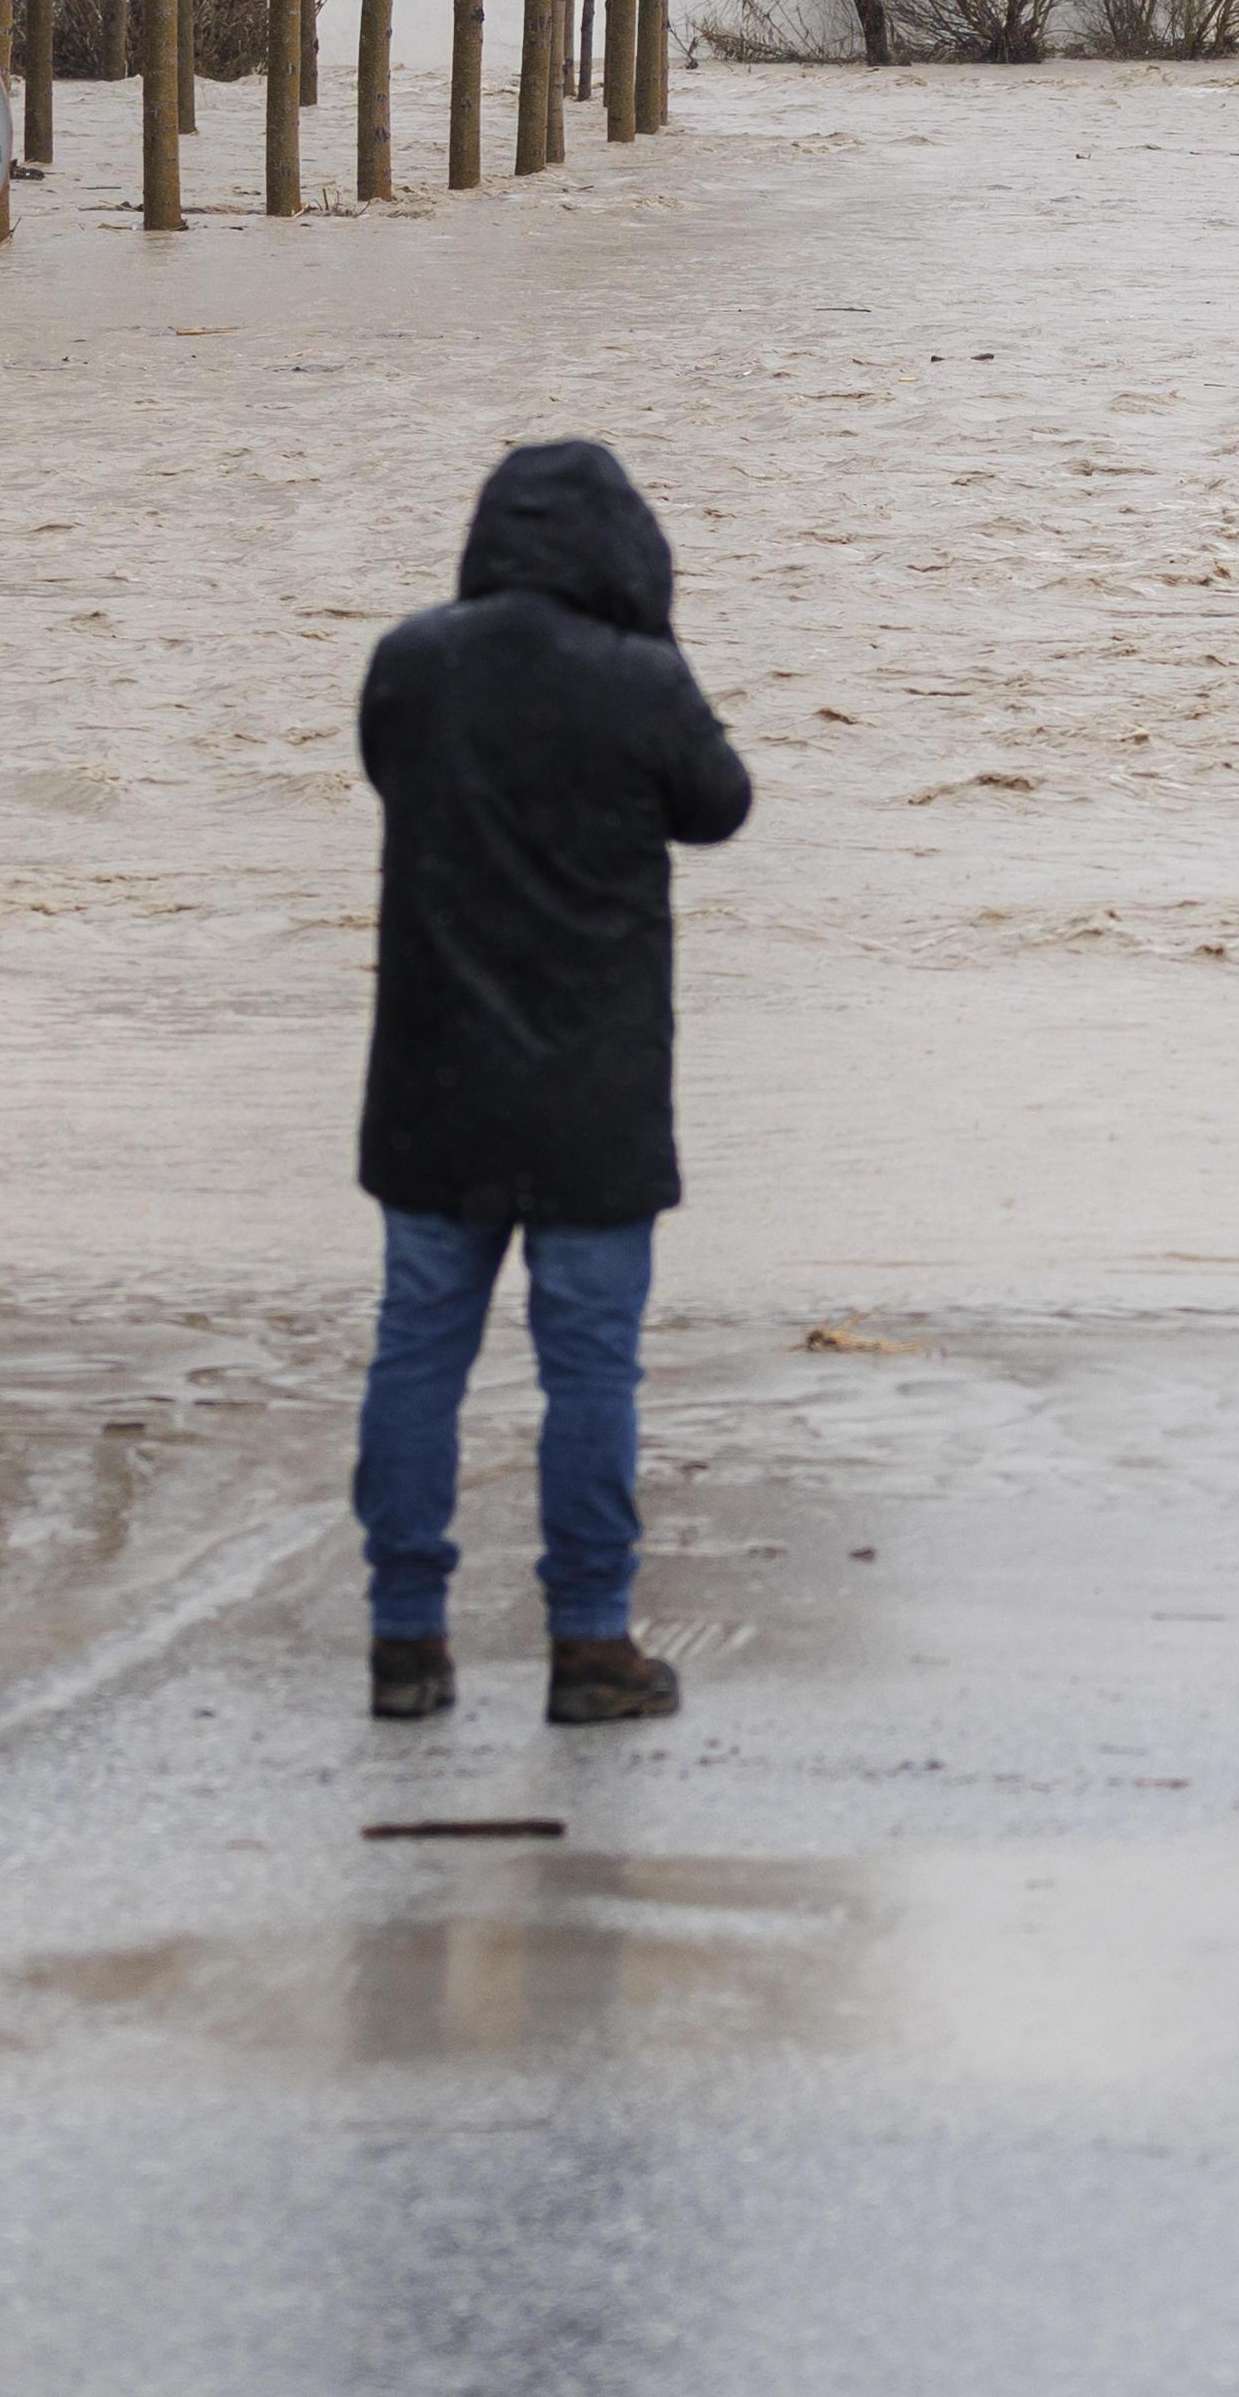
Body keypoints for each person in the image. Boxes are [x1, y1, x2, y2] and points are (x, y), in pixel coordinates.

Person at [350, 439, 755, 1728]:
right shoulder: (641, 681)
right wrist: (659, 656)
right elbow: (721, 805)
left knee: (418, 1356)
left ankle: (405, 1641)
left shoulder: (413, 661)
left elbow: (384, 768)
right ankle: (590, 1644)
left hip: (432, 1080)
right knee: (592, 1371)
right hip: (593, 1093)